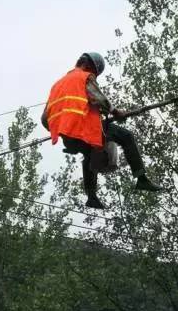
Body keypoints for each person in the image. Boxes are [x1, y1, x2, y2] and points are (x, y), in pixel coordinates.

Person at [42, 52, 163, 209]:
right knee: (126, 136)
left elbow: (45, 118)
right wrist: (115, 112)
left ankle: (91, 196)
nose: (94, 76)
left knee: (89, 154)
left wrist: (63, 131)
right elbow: (98, 97)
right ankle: (141, 179)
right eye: (95, 73)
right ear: (89, 66)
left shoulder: (56, 86)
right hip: (85, 129)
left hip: (69, 139)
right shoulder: (84, 77)